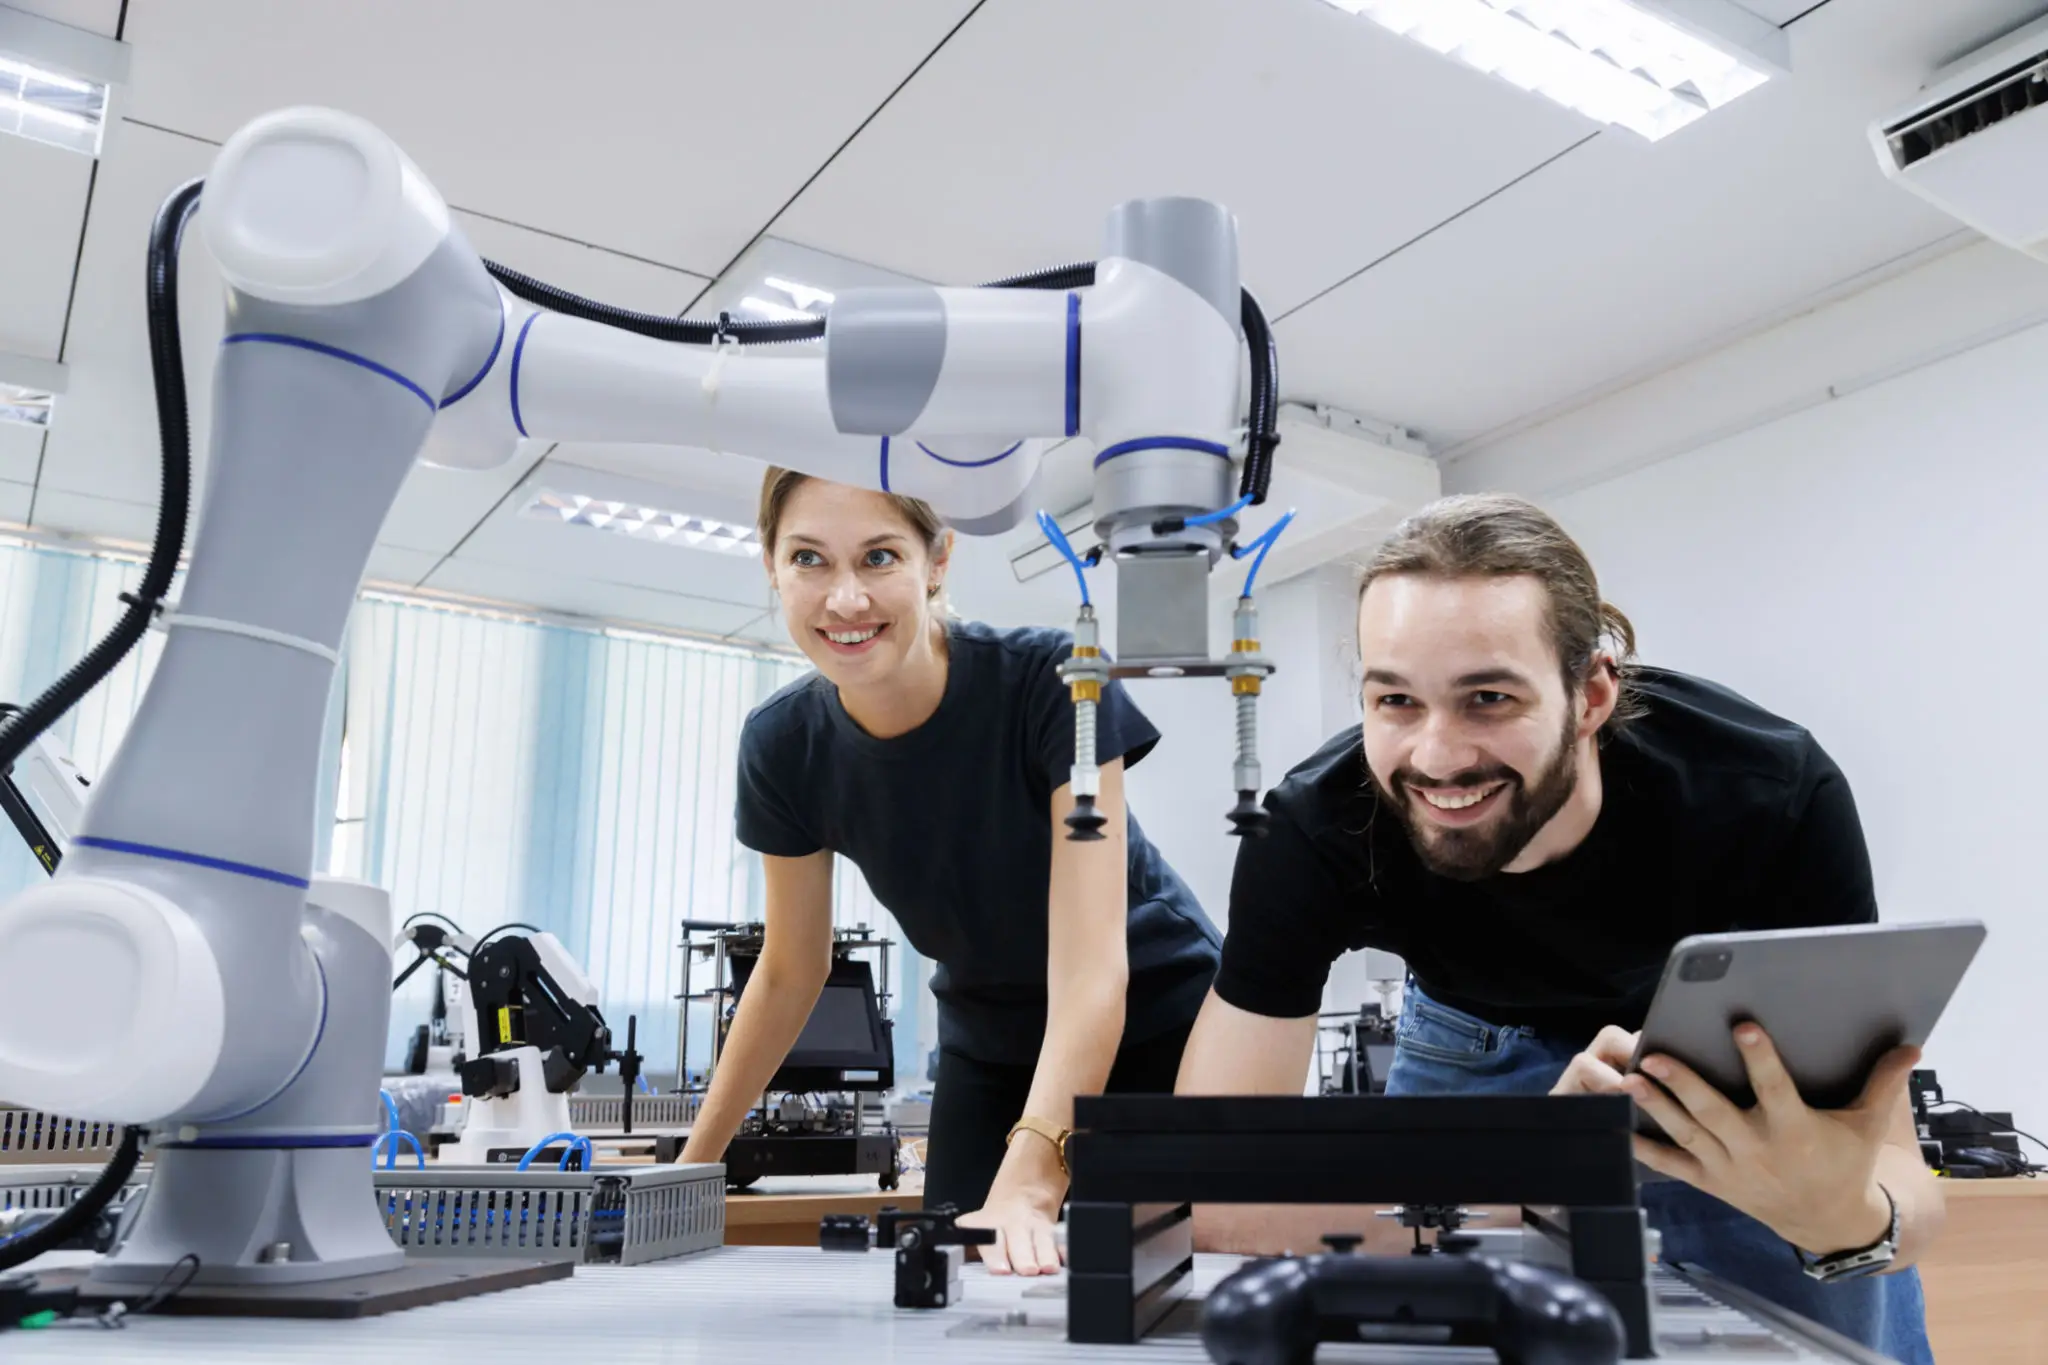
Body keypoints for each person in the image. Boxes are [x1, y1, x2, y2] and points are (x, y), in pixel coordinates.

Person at [1174, 493, 1942, 1364]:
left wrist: (1845, 1219)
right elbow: (1211, 1189)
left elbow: (1901, 1182)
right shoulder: (1313, 825)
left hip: (1707, 1059)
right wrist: (1533, 1168)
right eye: (1394, 700)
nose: (1436, 756)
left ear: (1591, 694)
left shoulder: (1770, 791)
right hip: (1464, 1036)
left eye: (1489, 697)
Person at [679, 468, 1221, 1276]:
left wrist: (1035, 1178)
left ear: (937, 560)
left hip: (1157, 1016)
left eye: (879, 556)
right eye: (809, 559)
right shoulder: (782, 745)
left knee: (1155, 1283)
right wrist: (690, 1171)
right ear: (771, 565)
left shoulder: (1055, 679)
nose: (845, 599)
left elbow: (1089, 968)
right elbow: (790, 969)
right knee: (952, 1277)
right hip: (989, 1039)